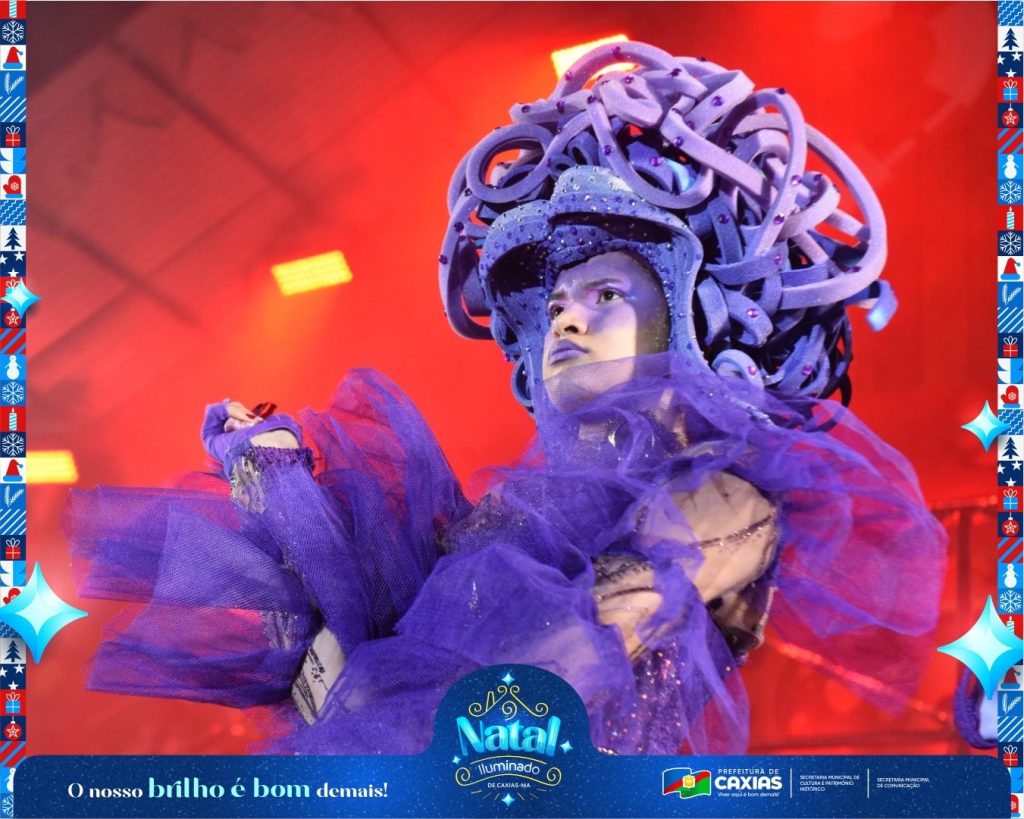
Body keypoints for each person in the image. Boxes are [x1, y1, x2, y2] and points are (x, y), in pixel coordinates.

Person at [68, 41, 946, 755]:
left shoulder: (722, 501)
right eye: (554, 304)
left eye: (607, 293)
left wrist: (363, 703)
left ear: (688, 317)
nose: (566, 317)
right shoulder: (509, 520)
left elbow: (532, 684)